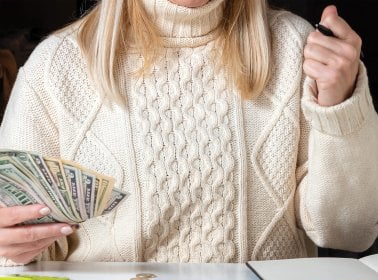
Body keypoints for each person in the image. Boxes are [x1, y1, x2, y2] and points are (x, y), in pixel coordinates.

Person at [0, 0, 377, 266]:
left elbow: (348, 232)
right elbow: (21, 248)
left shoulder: (297, 46)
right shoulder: (55, 65)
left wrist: (339, 110)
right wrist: (11, 249)